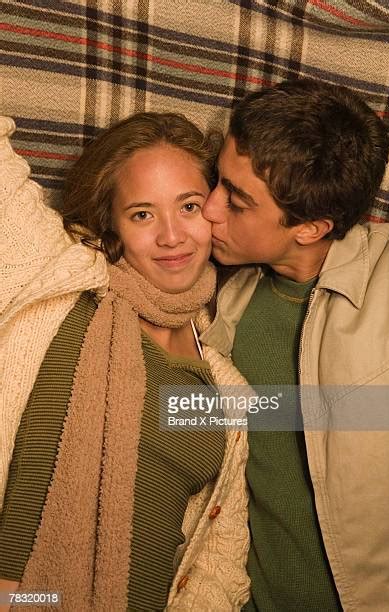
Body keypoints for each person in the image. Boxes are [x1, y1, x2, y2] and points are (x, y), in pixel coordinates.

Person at [0, 113, 250, 611]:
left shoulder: (228, 392)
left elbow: (218, 566)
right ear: (109, 220)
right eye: (142, 214)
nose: (172, 236)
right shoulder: (62, 277)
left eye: (189, 206)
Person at [200, 79, 389, 610]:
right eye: (216, 181)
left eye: (237, 202)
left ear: (311, 228)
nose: (210, 210)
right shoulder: (224, 295)